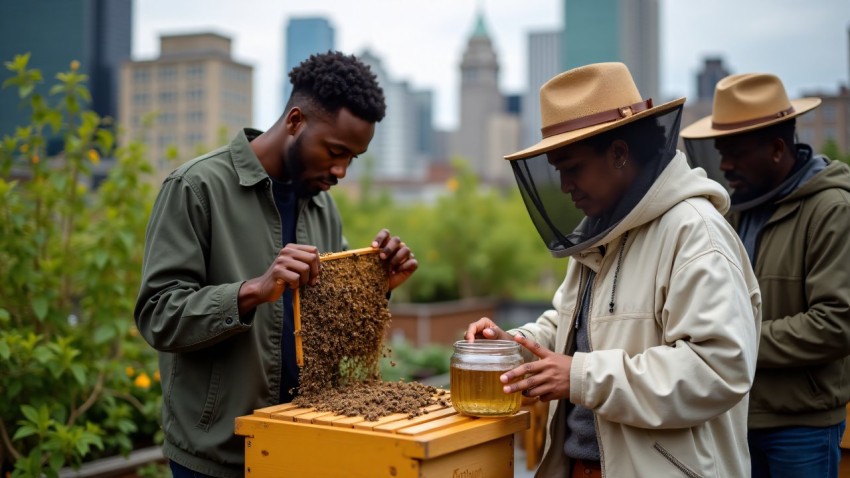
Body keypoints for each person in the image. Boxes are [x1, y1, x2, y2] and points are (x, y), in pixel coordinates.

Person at [464, 62, 761, 477]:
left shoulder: (695, 234)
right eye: (558, 171)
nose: (565, 186)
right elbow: (570, 324)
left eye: (573, 168)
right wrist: (512, 344)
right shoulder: (600, 231)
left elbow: (718, 368)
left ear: (619, 153)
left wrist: (582, 377)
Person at [134, 51, 418, 478]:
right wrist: (253, 291)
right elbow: (158, 316)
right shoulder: (195, 187)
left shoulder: (323, 207)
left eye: (352, 159)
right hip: (217, 456)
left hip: (304, 441)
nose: (340, 170)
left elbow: (329, 327)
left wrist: (378, 286)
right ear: (295, 121)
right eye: (335, 151)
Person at [681, 73, 850, 478]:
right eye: (721, 151)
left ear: (777, 149)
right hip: (733, 417)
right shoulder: (735, 210)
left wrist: (732, 345)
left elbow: (837, 323)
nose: (724, 165)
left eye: (736, 153)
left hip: (801, 427)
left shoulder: (832, 210)